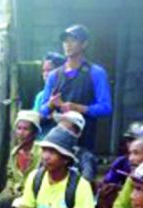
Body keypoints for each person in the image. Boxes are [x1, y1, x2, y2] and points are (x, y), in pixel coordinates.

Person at [38, 24, 112, 179]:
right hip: (58, 142)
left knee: (84, 181)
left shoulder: (95, 73)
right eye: (65, 41)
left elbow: (106, 107)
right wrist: (51, 104)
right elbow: (42, 111)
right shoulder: (54, 75)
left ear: (84, 44)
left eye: (73, 40)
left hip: (85, 140)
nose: (68, 44)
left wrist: (78, 108)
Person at [0, 110, 41, 208]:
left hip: (35, 195)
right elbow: (11, 179)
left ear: (34, 132)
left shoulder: (41, 152)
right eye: (19, 128)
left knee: (8, 205)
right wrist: (7, 192)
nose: (21, 133)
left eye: (26, 129)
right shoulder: (14, 153)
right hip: (17, 194)